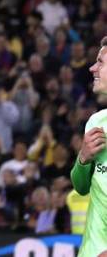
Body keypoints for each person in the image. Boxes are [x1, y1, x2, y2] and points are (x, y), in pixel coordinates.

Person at [71, 37, 107, 257]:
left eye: (101, 62)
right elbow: (81, 187)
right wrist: (82, 159)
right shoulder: (96, 122)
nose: (92, 68)